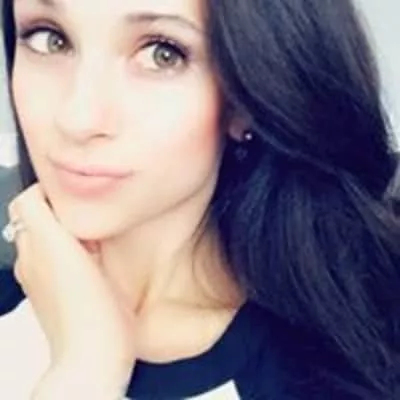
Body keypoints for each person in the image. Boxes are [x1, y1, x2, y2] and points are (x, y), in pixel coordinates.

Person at [0, 0, 399, 398]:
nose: (76, 119)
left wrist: (84, 370)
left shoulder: (328, 376)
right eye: (50, 39)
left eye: (162, 53)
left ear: (243, 100)